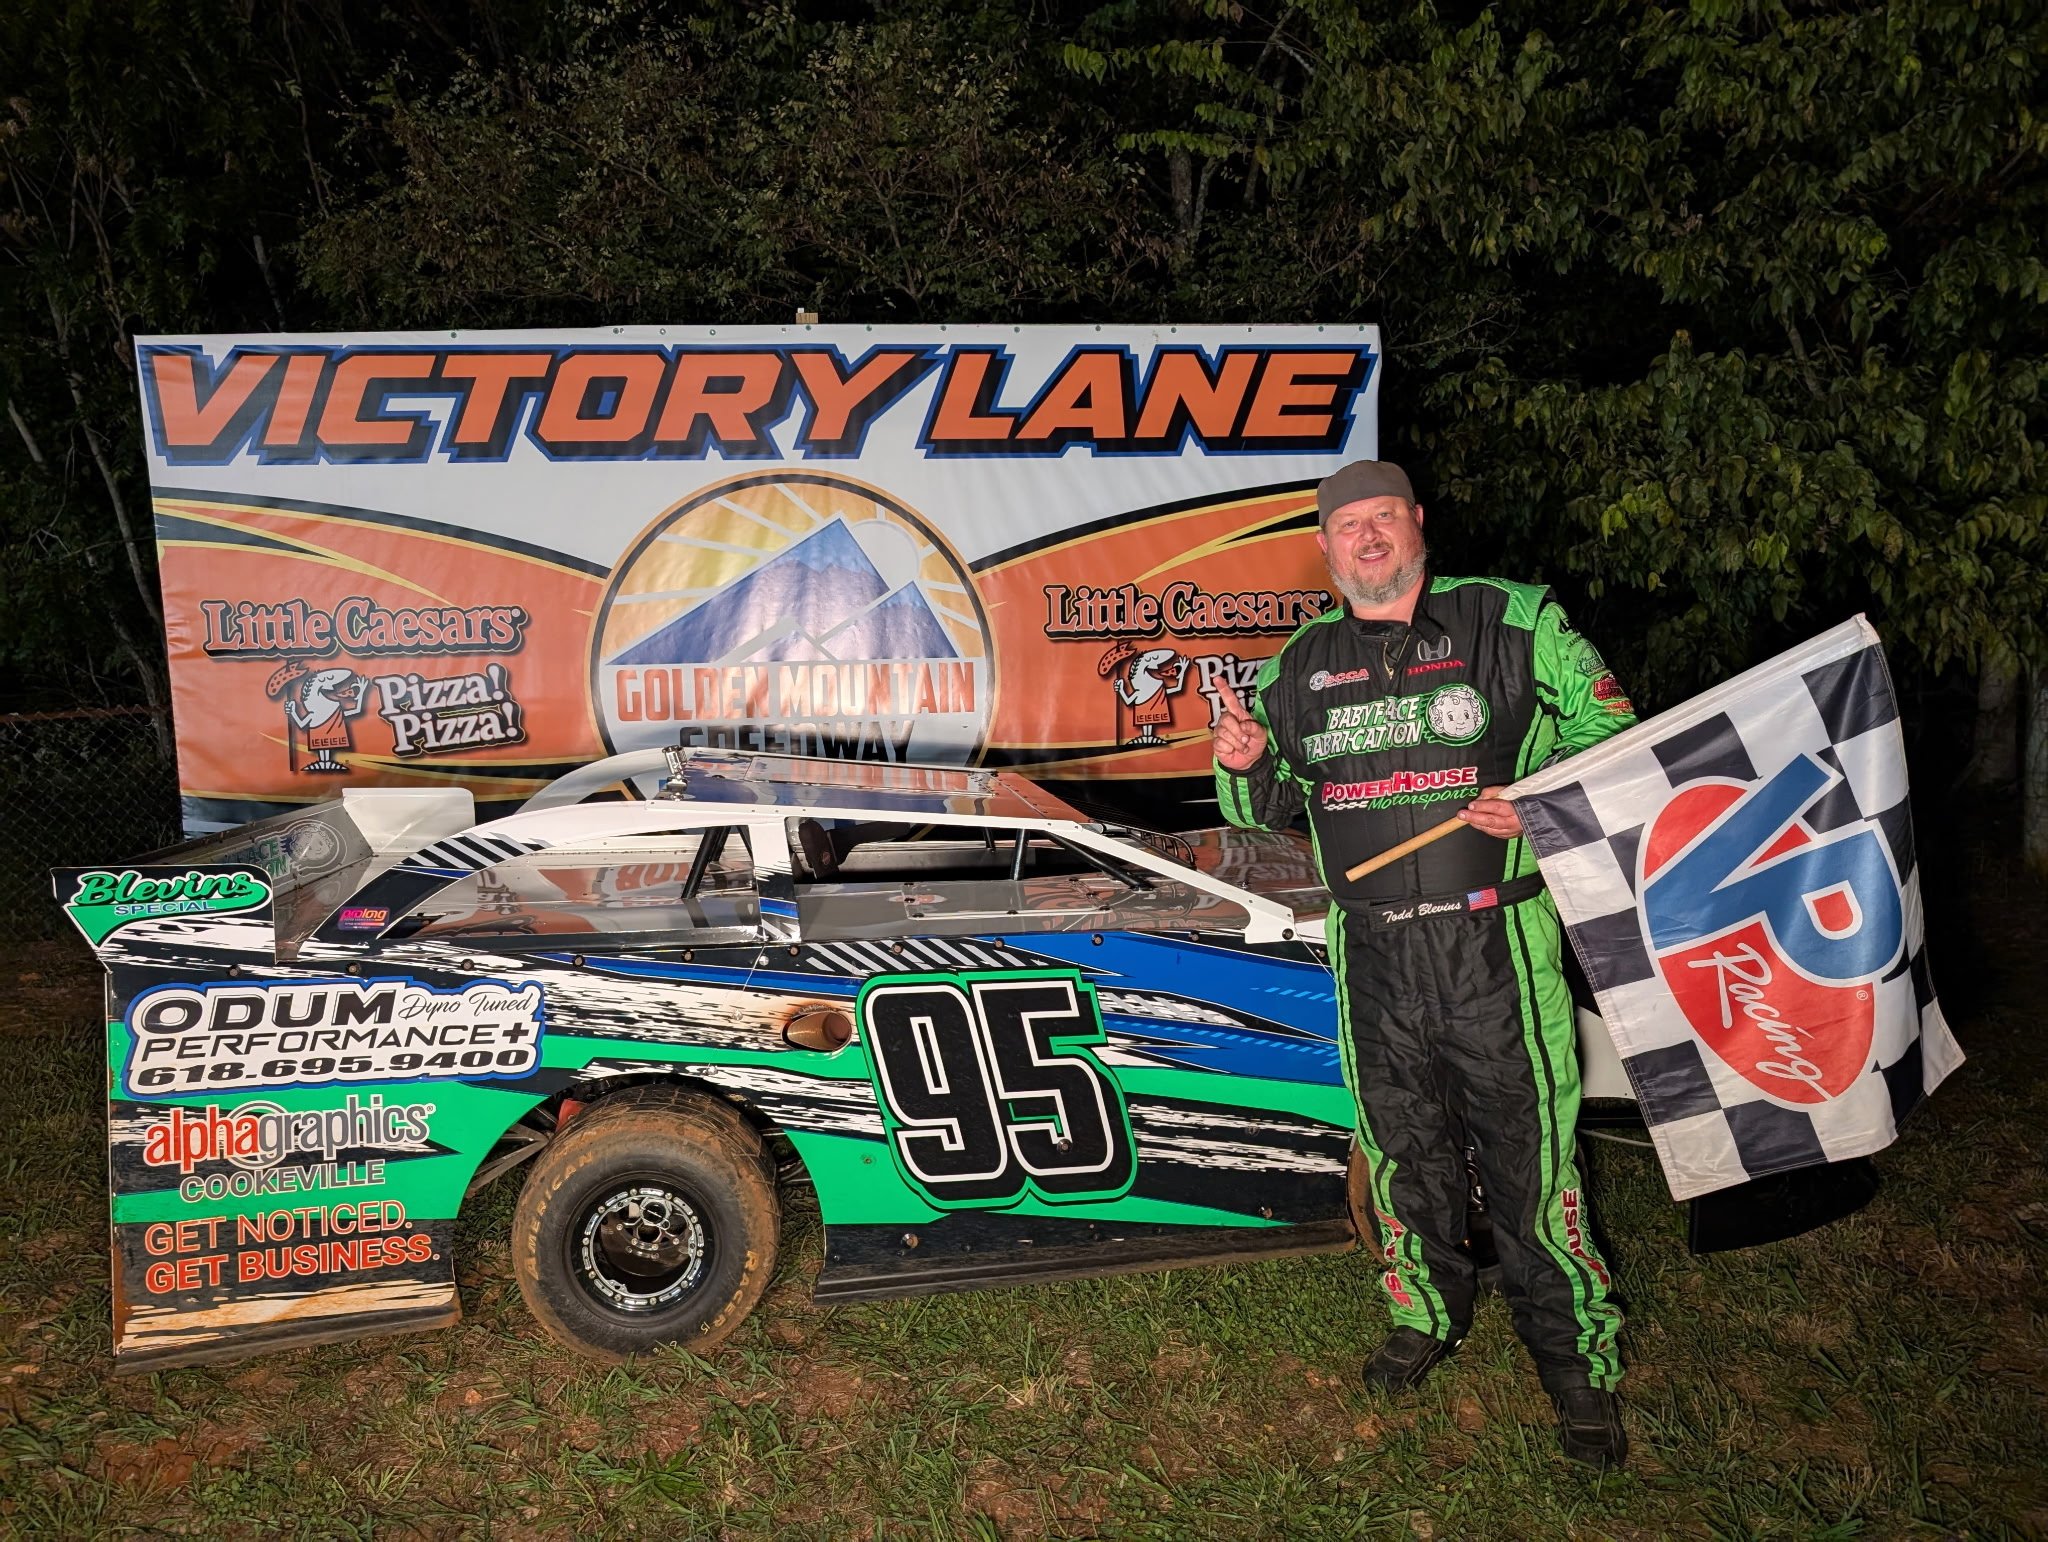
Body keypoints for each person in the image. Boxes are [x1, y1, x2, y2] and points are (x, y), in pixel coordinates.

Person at [1212, 459, 1636, 1469]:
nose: (1366, 539)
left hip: (1494, 939)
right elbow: (1257, 811)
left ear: (1416, 526)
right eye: (1345, 525)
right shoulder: (1295, 666)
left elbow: (1612, 734)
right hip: (1372, 951)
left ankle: (1575, 1365)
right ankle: (1423, 1313)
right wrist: (1239, 765)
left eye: (1382, 520)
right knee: (1401, 1149)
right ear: (1323, 548)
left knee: (1530, 1156)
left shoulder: (1512, 619)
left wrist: (1538, 798)